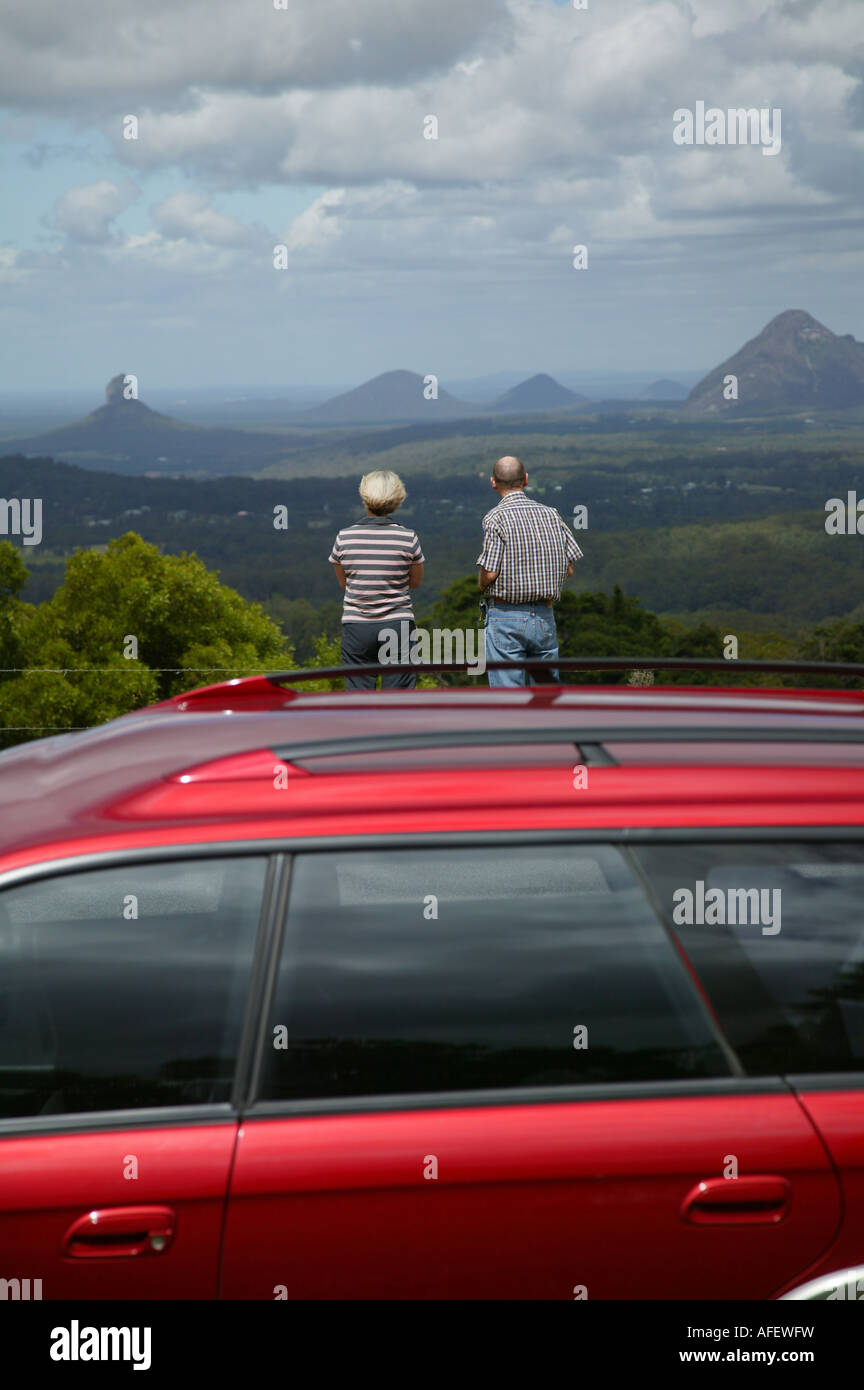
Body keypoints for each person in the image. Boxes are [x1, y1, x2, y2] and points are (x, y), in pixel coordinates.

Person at [477, 455, 582, 686]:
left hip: (506, 616)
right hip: (544, 616)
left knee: (508, 699)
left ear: (493, 482)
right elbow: (569, 568)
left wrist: (481, 584)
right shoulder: (551, 514)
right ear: (525, 479)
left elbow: (490, 572)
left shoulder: (496, 518)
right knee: (546, 695)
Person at [329, 469, 424, 689]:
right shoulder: (408, 536)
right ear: (397, 499)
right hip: (397, 625)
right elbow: (416, 582)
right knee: (398, 701)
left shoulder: (344, 537)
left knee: (358, 702)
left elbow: (344, 583)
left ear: (364, 497)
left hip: (357, 628)